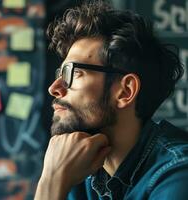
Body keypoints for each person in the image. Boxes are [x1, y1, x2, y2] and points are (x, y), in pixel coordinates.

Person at [35, 1, 188, 199]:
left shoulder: (177, 175)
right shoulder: (78, 165)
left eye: (74, 72)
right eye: (60, 73)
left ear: (125, 91)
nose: (54, 88)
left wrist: (51, 182)